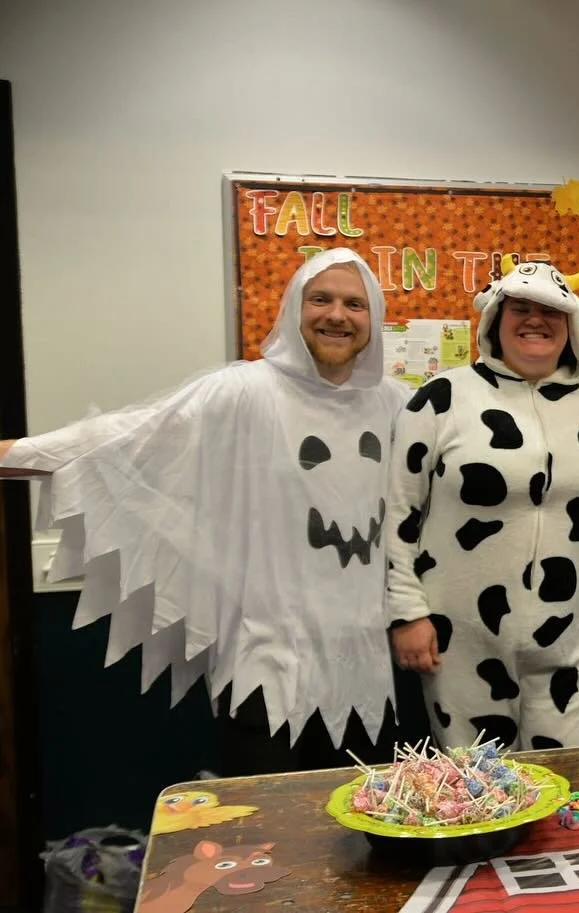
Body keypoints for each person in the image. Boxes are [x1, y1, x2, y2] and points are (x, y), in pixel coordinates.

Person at [0, 248, 414, 775]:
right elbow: (128, 438)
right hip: (265, 662)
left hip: (366, 669)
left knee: (362, 830)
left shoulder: (395, 403)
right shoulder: (242, 391)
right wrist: (15, 454)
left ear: (373, 318)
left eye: (355, 304)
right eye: (321, 299)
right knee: (268, 834)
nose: (337, 315)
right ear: (294, 308)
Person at [385, 258, 579, 751]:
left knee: (567, 781)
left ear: (571, 325)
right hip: (459, 640)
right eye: (519, 307)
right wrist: (406, 612)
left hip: (572, 639)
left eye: (551, 310)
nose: (535, 319)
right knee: (473, 789)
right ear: (494, 321)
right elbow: (400, 514)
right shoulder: (440, 399)